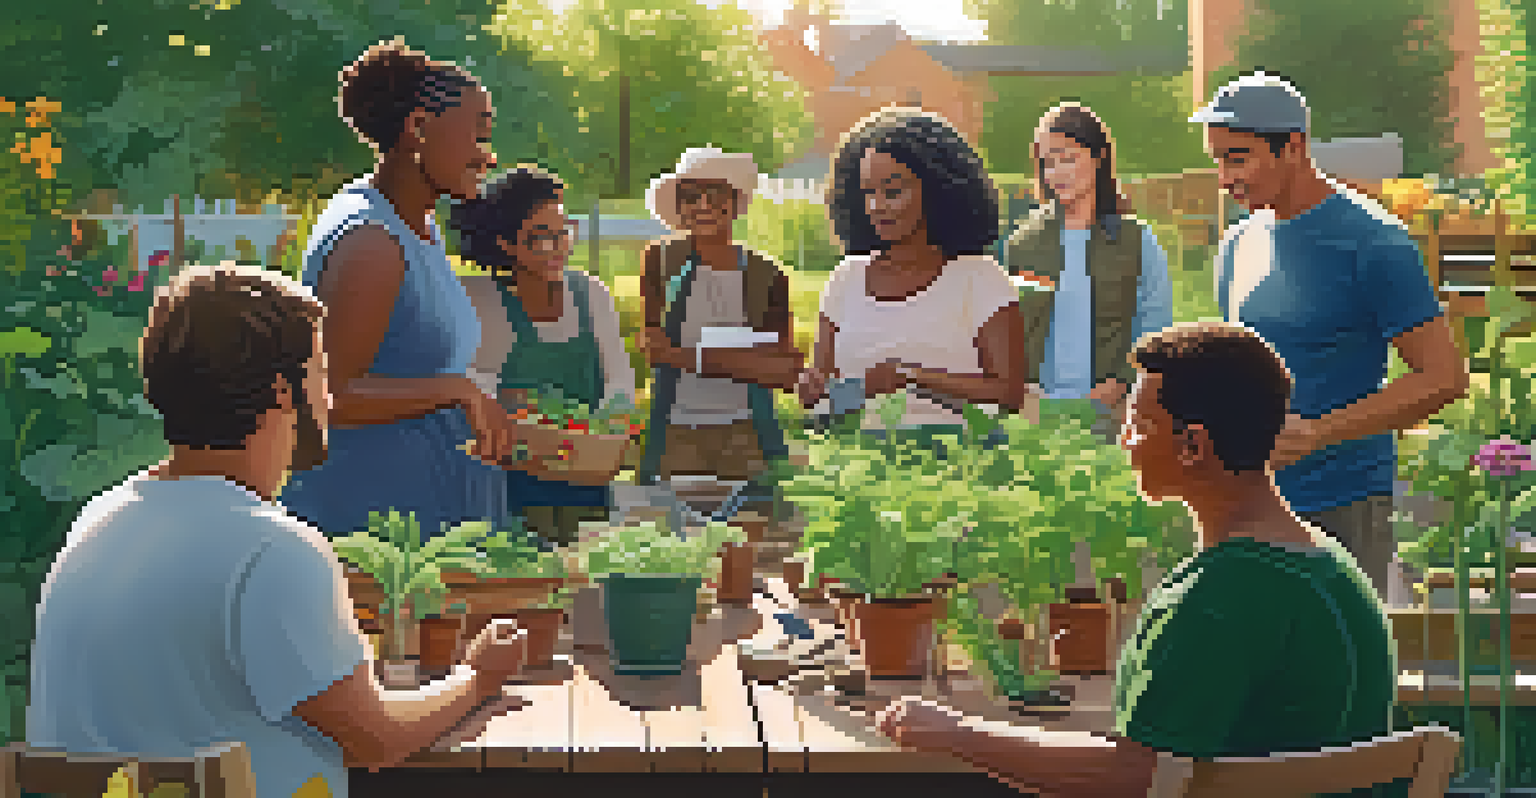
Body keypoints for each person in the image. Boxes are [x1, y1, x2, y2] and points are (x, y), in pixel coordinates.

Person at [28, 263, 531, 798]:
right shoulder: (271, 551)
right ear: (282, 392)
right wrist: (477, 677)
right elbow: (379, 738)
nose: (330, 399)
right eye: (319, 375)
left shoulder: (97, 522)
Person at [874, 321, 1408, 798]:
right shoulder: (1328, 564)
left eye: (1138, 424)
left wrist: (953, 734)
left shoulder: (1219, 595)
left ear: (1192, 446)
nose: (1125, 443)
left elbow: (1132, 775)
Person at [1190, 71, 1469, 597]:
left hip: (1340, 504)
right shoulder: (1236, 244)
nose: (1224, 178)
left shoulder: (1372, 242)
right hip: (1244, 502)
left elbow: (1443, 378)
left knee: (1334, 672)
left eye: (1238, 157)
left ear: (1292, 147)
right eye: (1218, 159)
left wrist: (1318, 432)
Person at [279, 39, 546, 543]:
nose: (488, 157)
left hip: (424, 524)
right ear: (418, 128)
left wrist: (484, 401)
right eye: (478, 134)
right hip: (373, 532)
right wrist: (458, 391)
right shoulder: (371, 241)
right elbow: (329, 395)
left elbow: (408, 364)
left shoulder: (417, 224)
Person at [797, 107, 1026, 446]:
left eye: (892, 192)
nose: (876, 206)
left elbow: (1008, 393)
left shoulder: (978, 277)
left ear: (937, 190)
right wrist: (813, 389)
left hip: (956, 465)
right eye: (868, 193)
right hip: (855, 462)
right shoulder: (846, 278)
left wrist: (911, 377)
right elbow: (826, 394)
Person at [451, 166, 636, 545]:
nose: (557, 249)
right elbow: (479, 391)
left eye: (562, 233)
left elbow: (618, 381)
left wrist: (609, 429)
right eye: (540, 238)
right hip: (509, 485)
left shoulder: (590, 295)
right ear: (504, 243)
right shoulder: (481, 299)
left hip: (586, 476)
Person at [637, 146, 804, 488]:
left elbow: (785, 371)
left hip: (747, 430)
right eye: (691, 197)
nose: (703, 205)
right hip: (677, 429)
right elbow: (654, 348)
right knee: (676, 529)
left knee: (753, 526)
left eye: (715, 195)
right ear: (680, 208)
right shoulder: (661, 261)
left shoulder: (767, 275)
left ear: (735, 202)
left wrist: (689, 356)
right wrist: (744, 361)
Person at [1007, 102, 1173, 430]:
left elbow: (1155, 329)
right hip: (1036, 413)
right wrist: (1021, 390)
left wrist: (1123, 384)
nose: (1058, 173)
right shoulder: (1020, 245)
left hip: (1112, 411)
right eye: (1048, 163)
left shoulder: (1138, 242)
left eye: (1068, 159)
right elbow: (1011, 328)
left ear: (1098, 158)